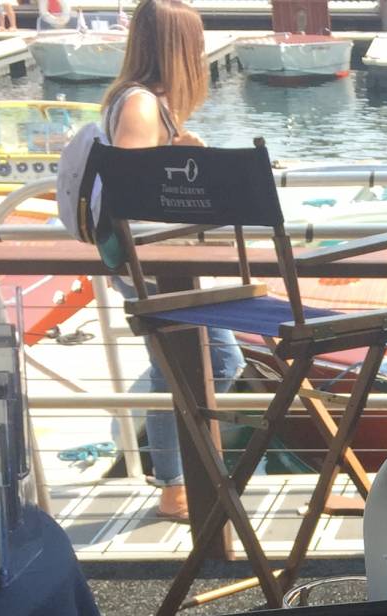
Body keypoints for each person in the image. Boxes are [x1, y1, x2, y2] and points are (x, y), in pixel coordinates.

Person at [102, 0, 244, 523]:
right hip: (153, 267)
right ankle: (175, 483)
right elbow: (132, 193)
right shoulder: (141, 106)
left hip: (154, 265)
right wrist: (187, 162)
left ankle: (175, 481)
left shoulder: (142, 102)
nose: (202, 55)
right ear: (179, 48)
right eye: (196, 44)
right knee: (214, 363)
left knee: (180, 367)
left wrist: (183, 149)